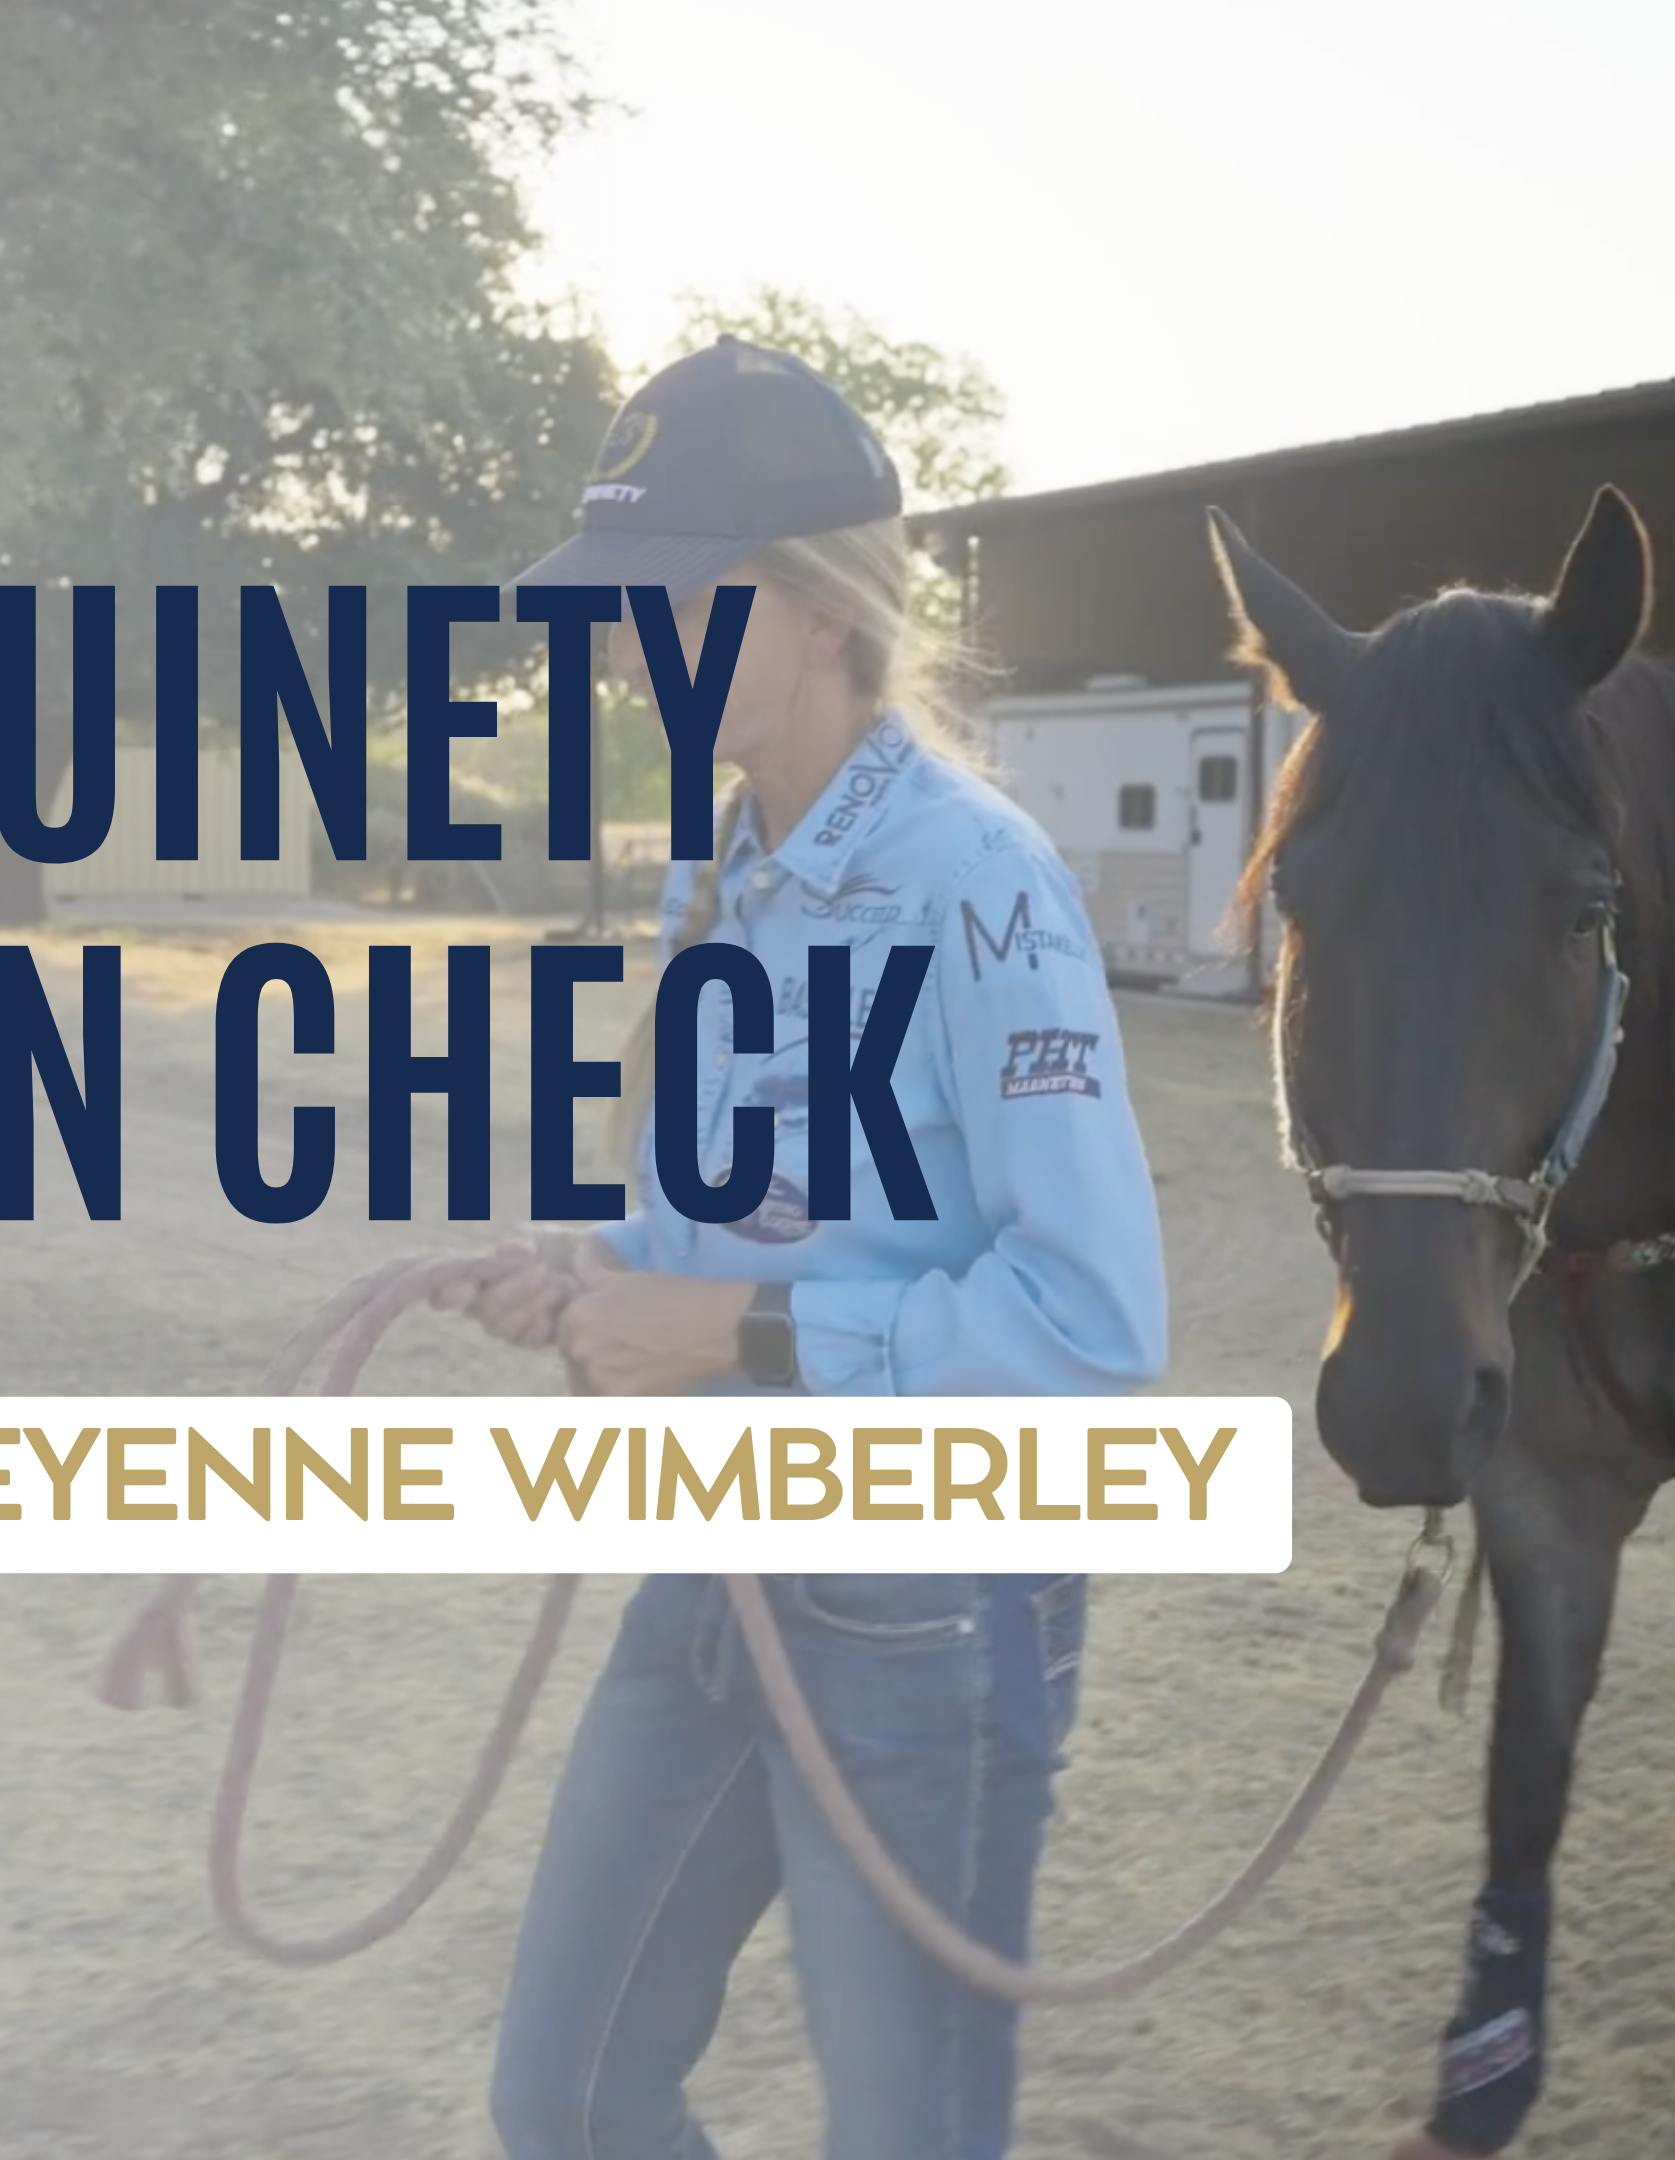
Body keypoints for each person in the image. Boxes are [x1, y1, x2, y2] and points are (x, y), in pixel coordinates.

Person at [451, 336, 1169, 2160]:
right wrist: (597, 1276)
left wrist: (735, 1331)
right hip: (724, 1556)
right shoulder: (726, 873)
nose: (619, 646)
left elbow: (1095, 1321)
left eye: (664, 596)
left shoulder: (977, 880)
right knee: (568, 2093)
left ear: (816, 607)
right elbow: (726, 1219)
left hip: (933, 1608)